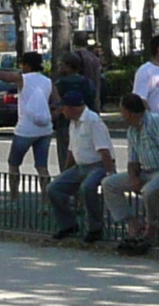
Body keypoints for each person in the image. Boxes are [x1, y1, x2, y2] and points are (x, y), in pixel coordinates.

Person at [47, 79, 117, 242]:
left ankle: (95, 228)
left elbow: (104, 150)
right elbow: (72, 150)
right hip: (80, 166)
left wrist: (109, 173)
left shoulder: (92, 121)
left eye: (63, 108)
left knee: (88, 188)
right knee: (54, 189)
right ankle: (68, 225)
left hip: (97, 166)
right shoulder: (74, 122)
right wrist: (64, 173)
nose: (62, 111)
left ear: (71, 108)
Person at [114, 90, 159, 247]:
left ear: (128, 111)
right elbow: (132, 160)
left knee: (149, 190)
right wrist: (133, 177)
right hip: (145, 171)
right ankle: (132, 223)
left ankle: (151, 225)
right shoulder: (132, 130)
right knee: (109, 184)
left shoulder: (156, 122)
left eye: (122, 110)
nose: (121, 114)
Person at [7, 51, 55, 193]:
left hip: (25, 130)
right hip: (45, 129)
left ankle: (14, 199)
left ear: (27, 65)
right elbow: (58, 103)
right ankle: (46, 202)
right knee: (42, 167)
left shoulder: (22, 79)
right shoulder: (47, 81)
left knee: (13, 165)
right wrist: (49, 116)